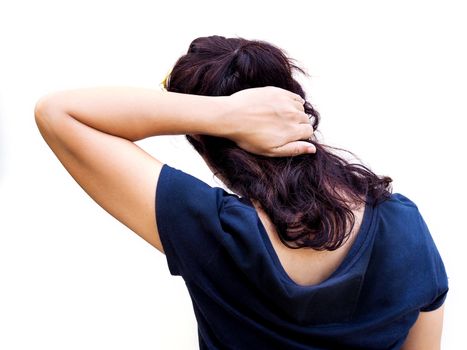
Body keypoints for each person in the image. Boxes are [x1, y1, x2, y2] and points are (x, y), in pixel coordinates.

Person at [34, 35, 448, 349]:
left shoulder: (213, 231)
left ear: (211, 149)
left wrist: (220, 116)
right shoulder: (404, 226)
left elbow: (59, 113)